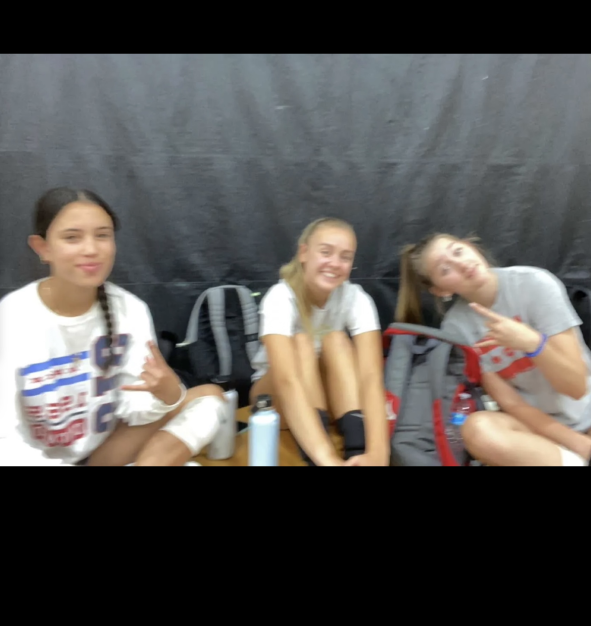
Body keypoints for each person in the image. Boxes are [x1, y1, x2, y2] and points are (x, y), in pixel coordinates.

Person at [0, 188, 227, 467]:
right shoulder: (11, 317)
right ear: (42, 248)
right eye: (72, 237)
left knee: (209, 398)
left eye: (102, 235)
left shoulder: (130, 309)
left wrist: (167, 394)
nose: (91, 249)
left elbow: (136, 411)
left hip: (105, 454)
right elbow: (5, 441)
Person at [395, 233, 591, 467]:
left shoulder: (534, 283)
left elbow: (576, 388)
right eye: (445, 269)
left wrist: (532, 343)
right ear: (440, 290)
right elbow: (512, 404)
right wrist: (577, 443)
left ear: (471, 247)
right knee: (477, 429)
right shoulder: (456, 329)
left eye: (458, 251)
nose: (461, 264)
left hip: (586, 408)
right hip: (538, 430)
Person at [250, 217, 390, 467]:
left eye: (345, 257)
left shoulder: (357, 298)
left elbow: (371, 377)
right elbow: (286, 380)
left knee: (336, 340)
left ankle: (357, 448)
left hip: (328, 397)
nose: (334, 263)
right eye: (326, 252)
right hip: (272, 400)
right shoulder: (280, 297)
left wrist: (379, 453)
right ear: (304, 253)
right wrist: (327, 459)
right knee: (301, 343)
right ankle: (316, 458)